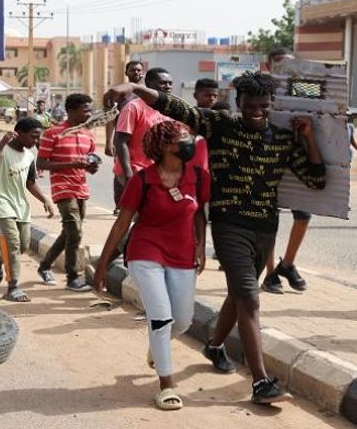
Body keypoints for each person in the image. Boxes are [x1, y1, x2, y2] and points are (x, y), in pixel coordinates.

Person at [103, 71, 326, 404]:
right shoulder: (221, 127)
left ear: (270, 105)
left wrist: (308, 139)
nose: (256, 111)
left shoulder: (283, 138)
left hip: (265, 228)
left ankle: (215, 344)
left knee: (239, 293)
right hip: (228, 226)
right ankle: (261, 381)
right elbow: (176, 108)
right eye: (250, 105)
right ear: (239, 104)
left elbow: (316, 180)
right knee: (249, 298)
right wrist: (135, 88)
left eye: (263, 105)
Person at [94, 120, 209, 410]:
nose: (188, 142)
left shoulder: (197, 176)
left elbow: (199, 215)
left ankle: (157, 345)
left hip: (182, 253)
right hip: (146, 251)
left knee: (181, 321)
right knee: (160, 315)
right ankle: (167, 385)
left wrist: (200, 245)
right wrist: (102, 264)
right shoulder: (142, 179)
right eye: (181, 139)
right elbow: (122, 223)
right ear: (163, 147)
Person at [35, 93, 100, 292]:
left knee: (68, 233)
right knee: (75, 232)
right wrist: (73, 163)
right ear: (71, 111)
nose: (89, 114)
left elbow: (90, 159)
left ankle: (45, 265)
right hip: (62, 187)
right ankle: (73, 277)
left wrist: (92, 166)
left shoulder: (88, 133)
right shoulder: (53, 133)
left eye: (90, 109)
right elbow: (41, 163)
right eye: (85, 110)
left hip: (81, 187)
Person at [0, 118, 56, 302]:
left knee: (23, 246)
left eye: (38, 137)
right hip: (0, 204)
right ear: (19, 133)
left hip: (20, 207)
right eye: (33, 136)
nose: (36, 141)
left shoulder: (29, 157)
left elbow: (30, 182)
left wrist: (45, 199)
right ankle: (13, 287)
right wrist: (2, 144)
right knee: (12, 245)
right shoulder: (2, 151)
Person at [261, 49, 313, 295]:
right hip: (270, 159)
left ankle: (288, 264)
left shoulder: (306, 89)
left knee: (303, 216)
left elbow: (329, 110)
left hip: (298, 158)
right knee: (270, 219)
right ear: (270, 66)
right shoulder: (261, 90)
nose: (287, 69)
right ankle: (270, 274)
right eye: (281, 65)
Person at [112, 67, 173, 212]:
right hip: (135, 170)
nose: (168, 87)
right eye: (163, 83)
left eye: (170, 83)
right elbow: (120, 141)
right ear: (149, 85)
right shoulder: (133, 107)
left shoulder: (170, 110)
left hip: (157, 171)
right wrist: (128, 172)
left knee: (151, 215)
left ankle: (128, 235)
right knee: (145, 213)